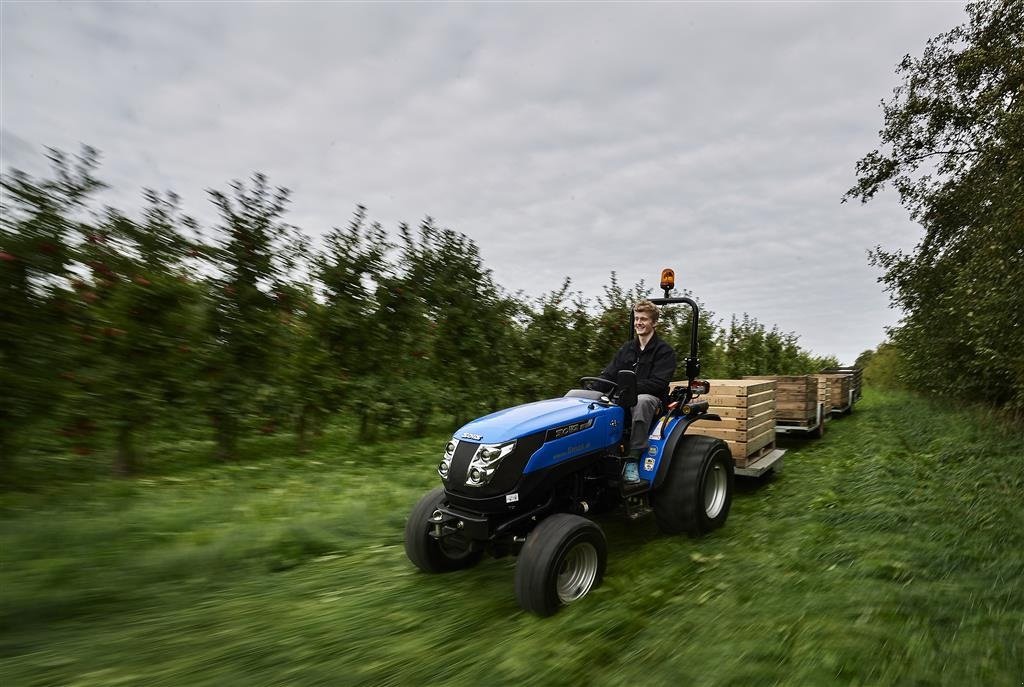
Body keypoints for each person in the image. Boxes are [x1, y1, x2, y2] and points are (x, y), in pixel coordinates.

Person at [600, 299, 677, 483]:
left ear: (654, 323)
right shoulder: (627, 349)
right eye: (636, 319)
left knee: (641, 402)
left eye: (643, 319)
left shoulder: (664, 351)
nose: (639, 323)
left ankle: (633, 458)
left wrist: (628, 390)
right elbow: (609, 374)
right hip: (624, 395)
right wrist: (592, 389)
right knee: (596, 402)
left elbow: (658, 383)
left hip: (652, 400)